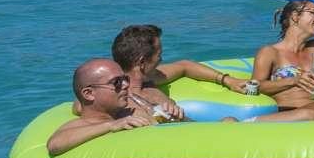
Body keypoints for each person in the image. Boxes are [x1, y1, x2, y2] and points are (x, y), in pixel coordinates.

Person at [76, 24, 246, 121]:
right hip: (180, 145)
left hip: (194, 129)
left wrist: (227, 80)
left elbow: (185, 66)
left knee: (229, 121)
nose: (161, 60)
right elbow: (81, 107)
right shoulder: (119, 99)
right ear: (142, 62)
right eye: (159, 56)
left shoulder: (150, 77)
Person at [46, 59, 155, 156]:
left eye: (125, 79)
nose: (126, 85)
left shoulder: (128, 113)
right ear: (89, 94)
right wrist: (110, 125)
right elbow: (54, 145)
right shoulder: (84, 124)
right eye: (117, 82)